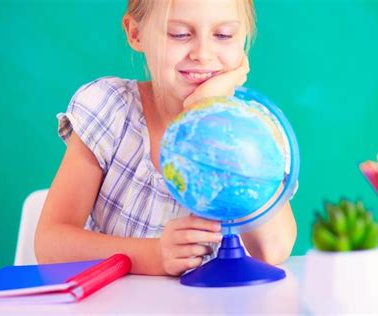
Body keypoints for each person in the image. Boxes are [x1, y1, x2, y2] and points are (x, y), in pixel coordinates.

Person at [35, 0, 297, 276]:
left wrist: (208, 112)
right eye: (180, 34)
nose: (203, 54)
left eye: (223, 35)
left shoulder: (254, 131)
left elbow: (273, 248)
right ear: (136, 34)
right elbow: (50, 244)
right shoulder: (110, 109)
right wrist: (153, 255)